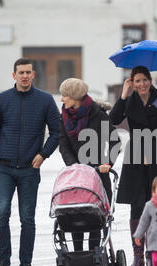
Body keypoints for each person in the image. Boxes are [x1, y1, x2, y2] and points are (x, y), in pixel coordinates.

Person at [0, 58, 60, 266]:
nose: (25, 76)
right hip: (4, 168)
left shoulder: (45, 100)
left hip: (29, 168)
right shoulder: (1, 100)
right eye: (21, 72)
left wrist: (43, 155)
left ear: (33, 74)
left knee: (27, 218)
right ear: (14, 75)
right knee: (1, 214)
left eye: (28, 72)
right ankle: (3, 264)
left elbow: (56, 132)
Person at [109, 66, 157, 266]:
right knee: (137, 206)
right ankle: (138, 256)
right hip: (136, 157)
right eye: (137, 81)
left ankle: (152, 255)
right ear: (132, 82)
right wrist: (123, 95)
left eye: (144, 80)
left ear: (150, 80)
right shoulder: (129, 100)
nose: (141, 84)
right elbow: (113, 119)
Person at [58, 78, 120, 252]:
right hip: (76, 175)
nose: (62, 99)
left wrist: (107, 162)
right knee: (74, 214)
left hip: (99, 173)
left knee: (97, 218)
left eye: (65, 95)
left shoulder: (98, 115)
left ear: (75, 96)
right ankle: (78, 254)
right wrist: (74, 166)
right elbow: (63, 145)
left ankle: (94, 255)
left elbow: (115, 141)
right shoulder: (62, 117)